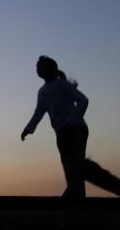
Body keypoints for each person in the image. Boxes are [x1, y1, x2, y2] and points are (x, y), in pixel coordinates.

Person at [21, 55, 120, 199]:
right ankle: (77, 199)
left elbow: (83, 101)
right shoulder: (42, 92)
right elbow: (39, 112)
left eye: (41, 65)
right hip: (61, 133)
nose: (38, 69)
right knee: (71, 169)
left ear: (51, 69)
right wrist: (28, 129)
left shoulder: (62, 84)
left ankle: (102, 188)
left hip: (75, 129)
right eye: (37, 66)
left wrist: (72, 121)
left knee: (77, 166)